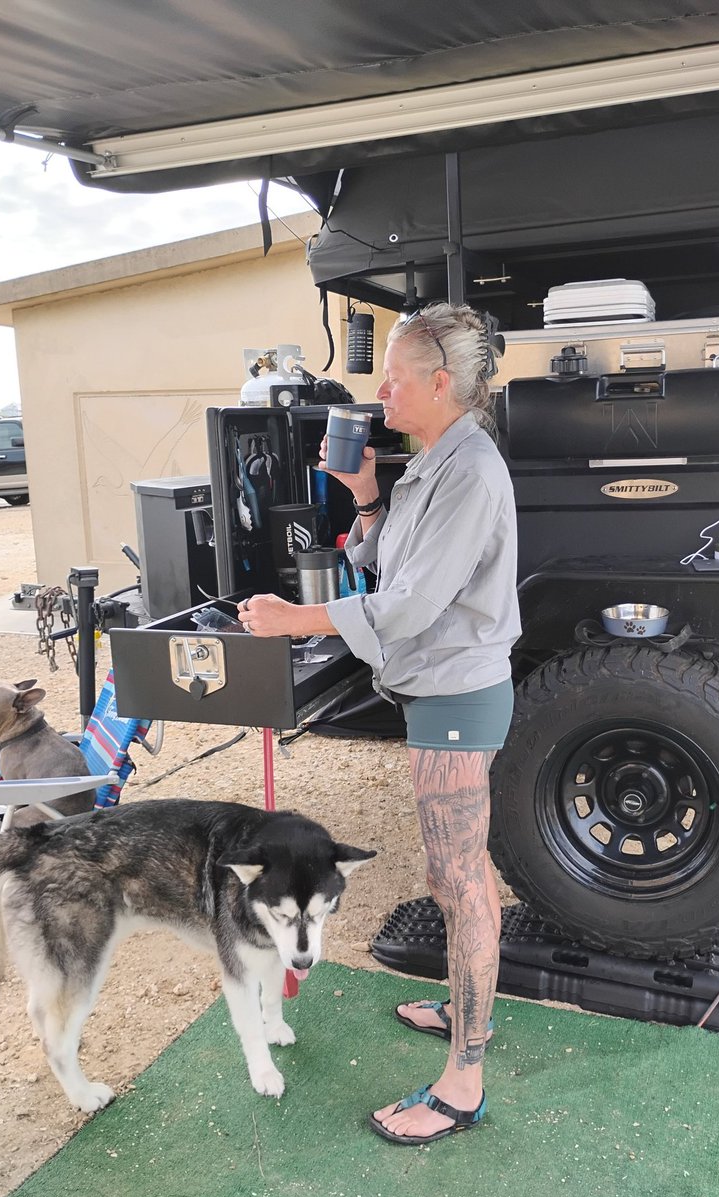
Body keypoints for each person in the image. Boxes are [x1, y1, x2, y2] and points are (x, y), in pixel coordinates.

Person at [241, 302, 521, 1145]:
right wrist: (365, 495)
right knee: (459, 875)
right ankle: (469, 1014)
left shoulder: (470, 472)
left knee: (459, 883)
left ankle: (463, 1083)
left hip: (455, 698)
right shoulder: (438, 458)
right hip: (438, 692)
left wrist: (298, 620)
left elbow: (410, 604)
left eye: (393, 378)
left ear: (441, 384)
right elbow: (384, 556)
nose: (380, 392)